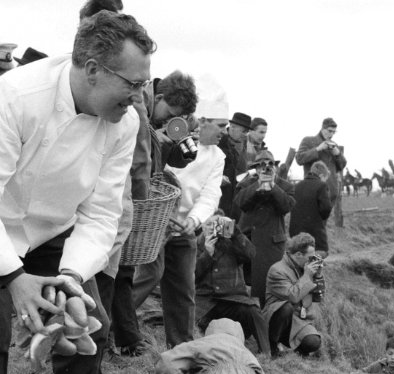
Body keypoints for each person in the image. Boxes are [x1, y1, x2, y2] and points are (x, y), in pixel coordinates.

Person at [0, 10, 153, 374]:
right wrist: (14, 278)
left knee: (91, 326)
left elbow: (101, 213)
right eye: (133, 84)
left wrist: (70, 276)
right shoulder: (19, 95)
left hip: (49, 228)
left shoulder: (125, 123)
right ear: (92, 70)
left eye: (144, 84)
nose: (138, 96)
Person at [110, 67, 198, 357]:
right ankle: (117, 330)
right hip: (136, 199)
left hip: (150, 197)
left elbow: (165, 159)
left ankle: (172, 343)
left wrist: (183, 149)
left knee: (162, 270)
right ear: (158, 96)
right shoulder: (137, 107)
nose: (170, 118)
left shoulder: (154, 113)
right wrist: (142, 200)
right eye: (171, 111)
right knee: (140, 270)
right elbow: (139, 161)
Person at [131, 116, 224, 349]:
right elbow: (158, 178)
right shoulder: (174, 139)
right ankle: (111, 327)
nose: (225, 131)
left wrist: (193, 220)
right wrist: (164, 214)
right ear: (204, 121)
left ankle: (182, 348)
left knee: (184, 287)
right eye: (221, 126)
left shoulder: (217, 156)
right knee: (149, 275)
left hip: (185, 227)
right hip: (156, 219)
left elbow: (211, 194)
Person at [194, 212, 272, 355]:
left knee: (253, 311)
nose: (213, 229)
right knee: (198, 328)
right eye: (209, 225)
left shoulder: (232, 242)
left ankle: (266, 353)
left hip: (233, 299)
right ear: (202, 227)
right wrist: (207, 254)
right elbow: (191, 276)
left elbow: (251, 254)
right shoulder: (196, 245)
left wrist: (235, 231)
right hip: (205, 301)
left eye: (217, 226)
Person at [235, 150, 296, 304]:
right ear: (256, 168)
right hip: (248, 242)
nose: (266, 168)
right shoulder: (247, 183)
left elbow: (286, 207)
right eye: (262, 166)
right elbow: (241, 203)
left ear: (275, 167)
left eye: (270, 165)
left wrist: (273, 186)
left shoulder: (285, 186)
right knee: (247, 287)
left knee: (270, 287)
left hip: (271, 244)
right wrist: (258, 185)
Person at [263, 233, 324, 357]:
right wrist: (307, 276)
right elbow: (293, 296)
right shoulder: (277, 270)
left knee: (313, 342)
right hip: (277, 319)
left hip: (297, 320)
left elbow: (318, 297)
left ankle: (296, 351)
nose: (312, 261)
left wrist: (318, 276)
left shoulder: (305, 267)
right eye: (310, 257)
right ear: (298, 255)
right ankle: (272, 346)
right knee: (286, 308)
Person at [289, 160, 333, 254]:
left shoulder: (296, 186)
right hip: (314, 235)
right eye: (325, 178)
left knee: (299, 262)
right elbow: (326, 208)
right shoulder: (321, 185)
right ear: (321, 176)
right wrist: (323, 217)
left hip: (295, 234)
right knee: (316, 261)